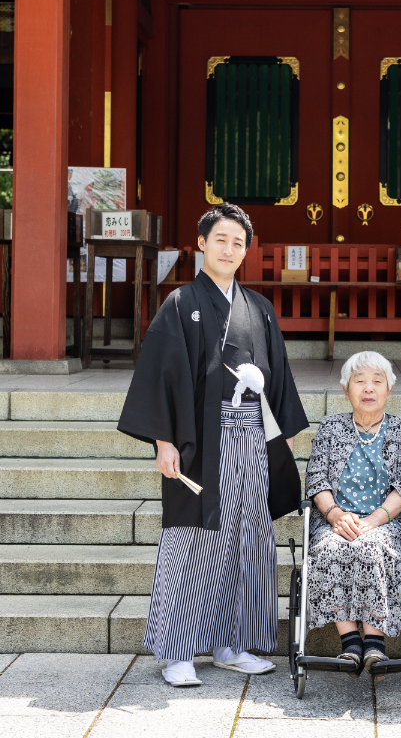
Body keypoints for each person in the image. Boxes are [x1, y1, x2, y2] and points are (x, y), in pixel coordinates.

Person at [118, 203, 308, 687]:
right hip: (200, 440)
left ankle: (233, 643)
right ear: (201, 244)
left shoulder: (258, 308)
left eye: (238, 242)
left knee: (249, 537)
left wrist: (281, 434)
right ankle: (177, 649)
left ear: (246, 251)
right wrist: (164, 441)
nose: (229, 249)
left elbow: (278, 377)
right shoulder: (180, 303)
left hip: (252, 437)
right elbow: (161, 374)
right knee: (192, 540)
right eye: (220, 239)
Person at [305, 351, 401, 676]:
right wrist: (335, 515)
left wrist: (373, 521)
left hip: (387, 523)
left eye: (376, 381)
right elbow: (316, 479)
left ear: (389, 389)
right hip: (335, 521)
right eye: (359, 381)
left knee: (371, 545)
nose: (368, 388)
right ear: (346, 390)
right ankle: (351, 642)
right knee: (332, 547)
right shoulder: (330, 427)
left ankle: (374, 642)